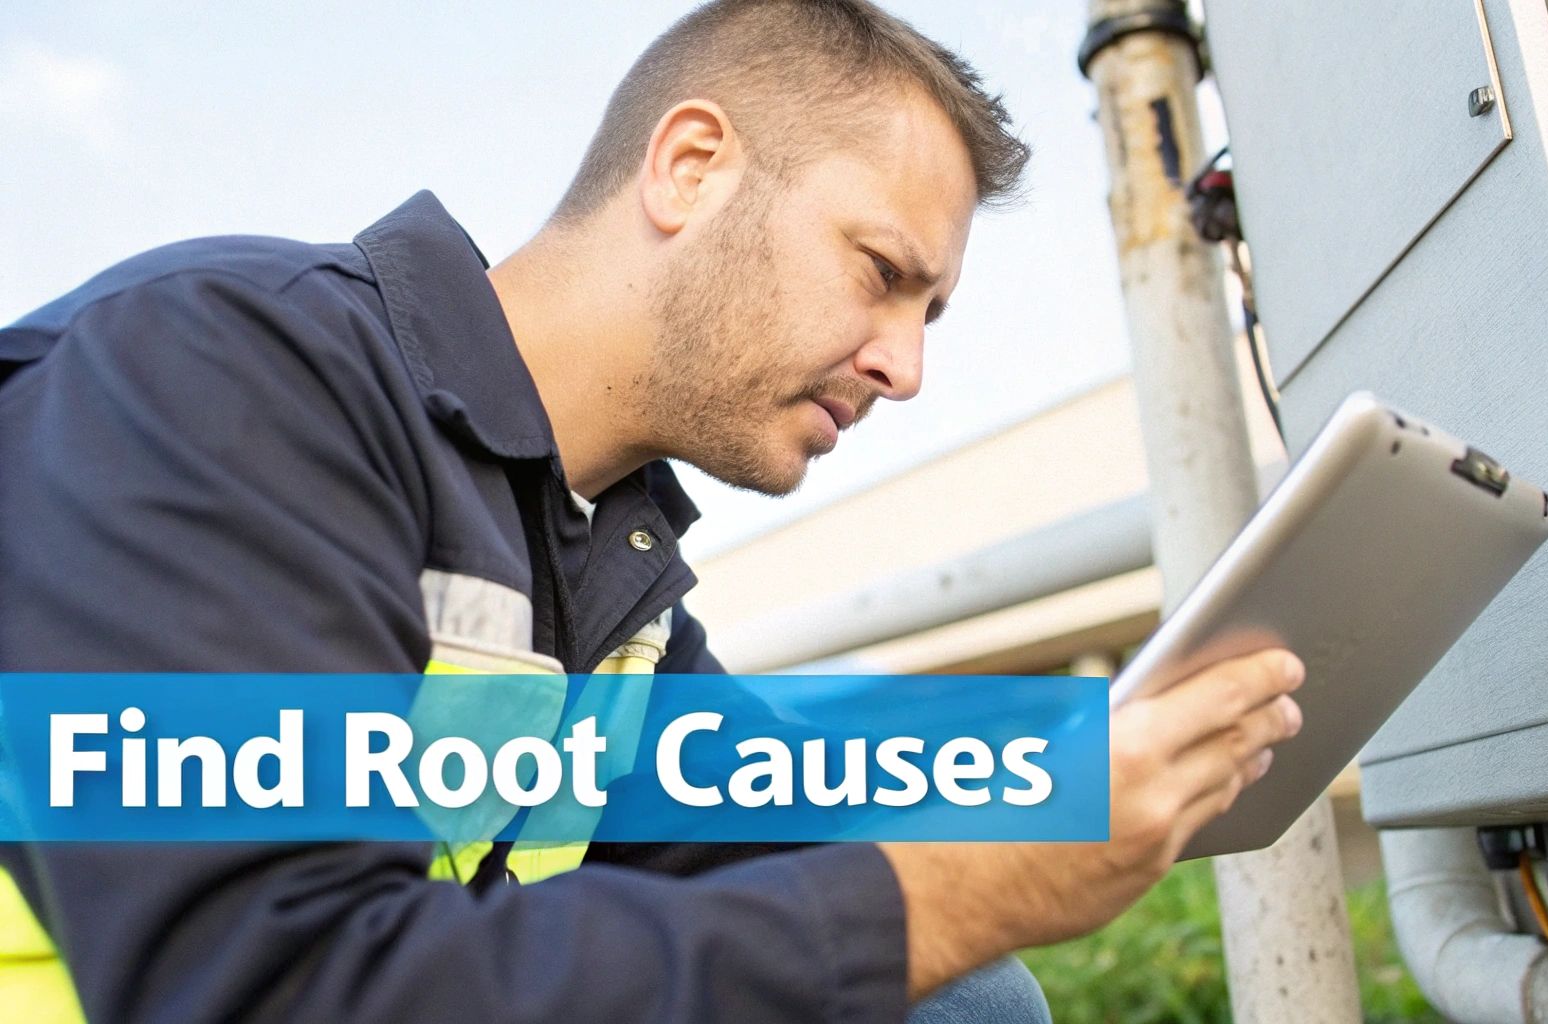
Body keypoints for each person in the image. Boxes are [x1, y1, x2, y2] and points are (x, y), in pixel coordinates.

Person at [0, 1, 1304, 1021]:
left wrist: (1068, 773)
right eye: (880, 272)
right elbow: (269, 985)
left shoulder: (616, 594)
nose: (907, 368)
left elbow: (799, 847)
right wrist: (952, 891)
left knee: (968, 1002)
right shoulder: (222, 373)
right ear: (689, 168)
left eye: (931, 313)